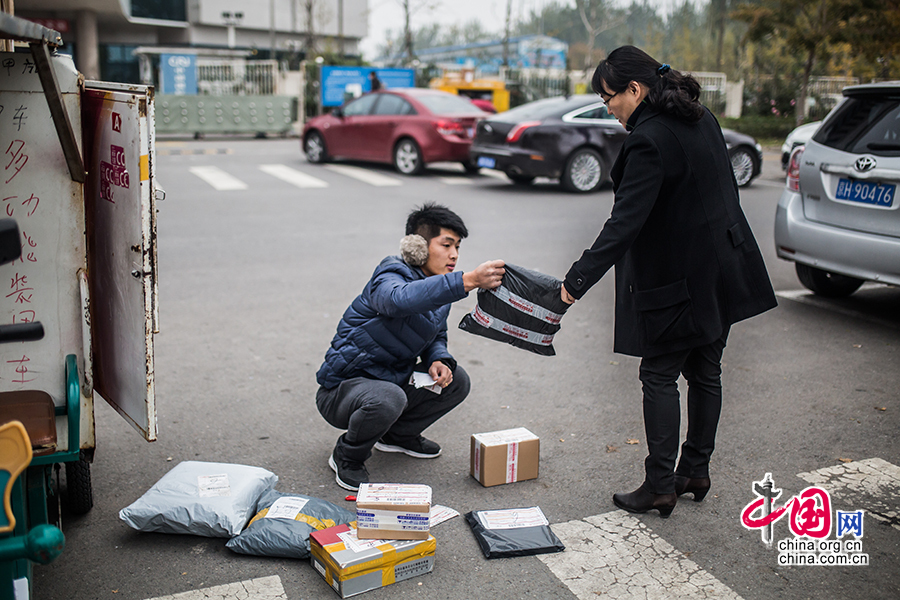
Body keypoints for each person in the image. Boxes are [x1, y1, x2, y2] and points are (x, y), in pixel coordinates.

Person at [560, 46, 777, 518]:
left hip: (682, 280)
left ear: (635, 90)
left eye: (608, 97)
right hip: (724, 269)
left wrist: (573, 283)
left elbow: (624, 225)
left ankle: (660, 485)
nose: (608, 107)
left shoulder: (648, 140)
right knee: (705, 371)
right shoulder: (703, 118)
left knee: (658, 374)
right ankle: (694, 470)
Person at [316, 203, 505, 491]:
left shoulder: (440, 287)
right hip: (342, 392)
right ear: (417, 246)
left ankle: (396, 436)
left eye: (458, 247)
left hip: (390, 384)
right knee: (388, 397)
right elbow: (398, 300)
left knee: (456, 381)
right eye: (446, 244)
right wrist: (466, 281)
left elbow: (435, 334)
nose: (454, 255)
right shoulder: (390, 273)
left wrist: (438, 358)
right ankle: (348, 455)